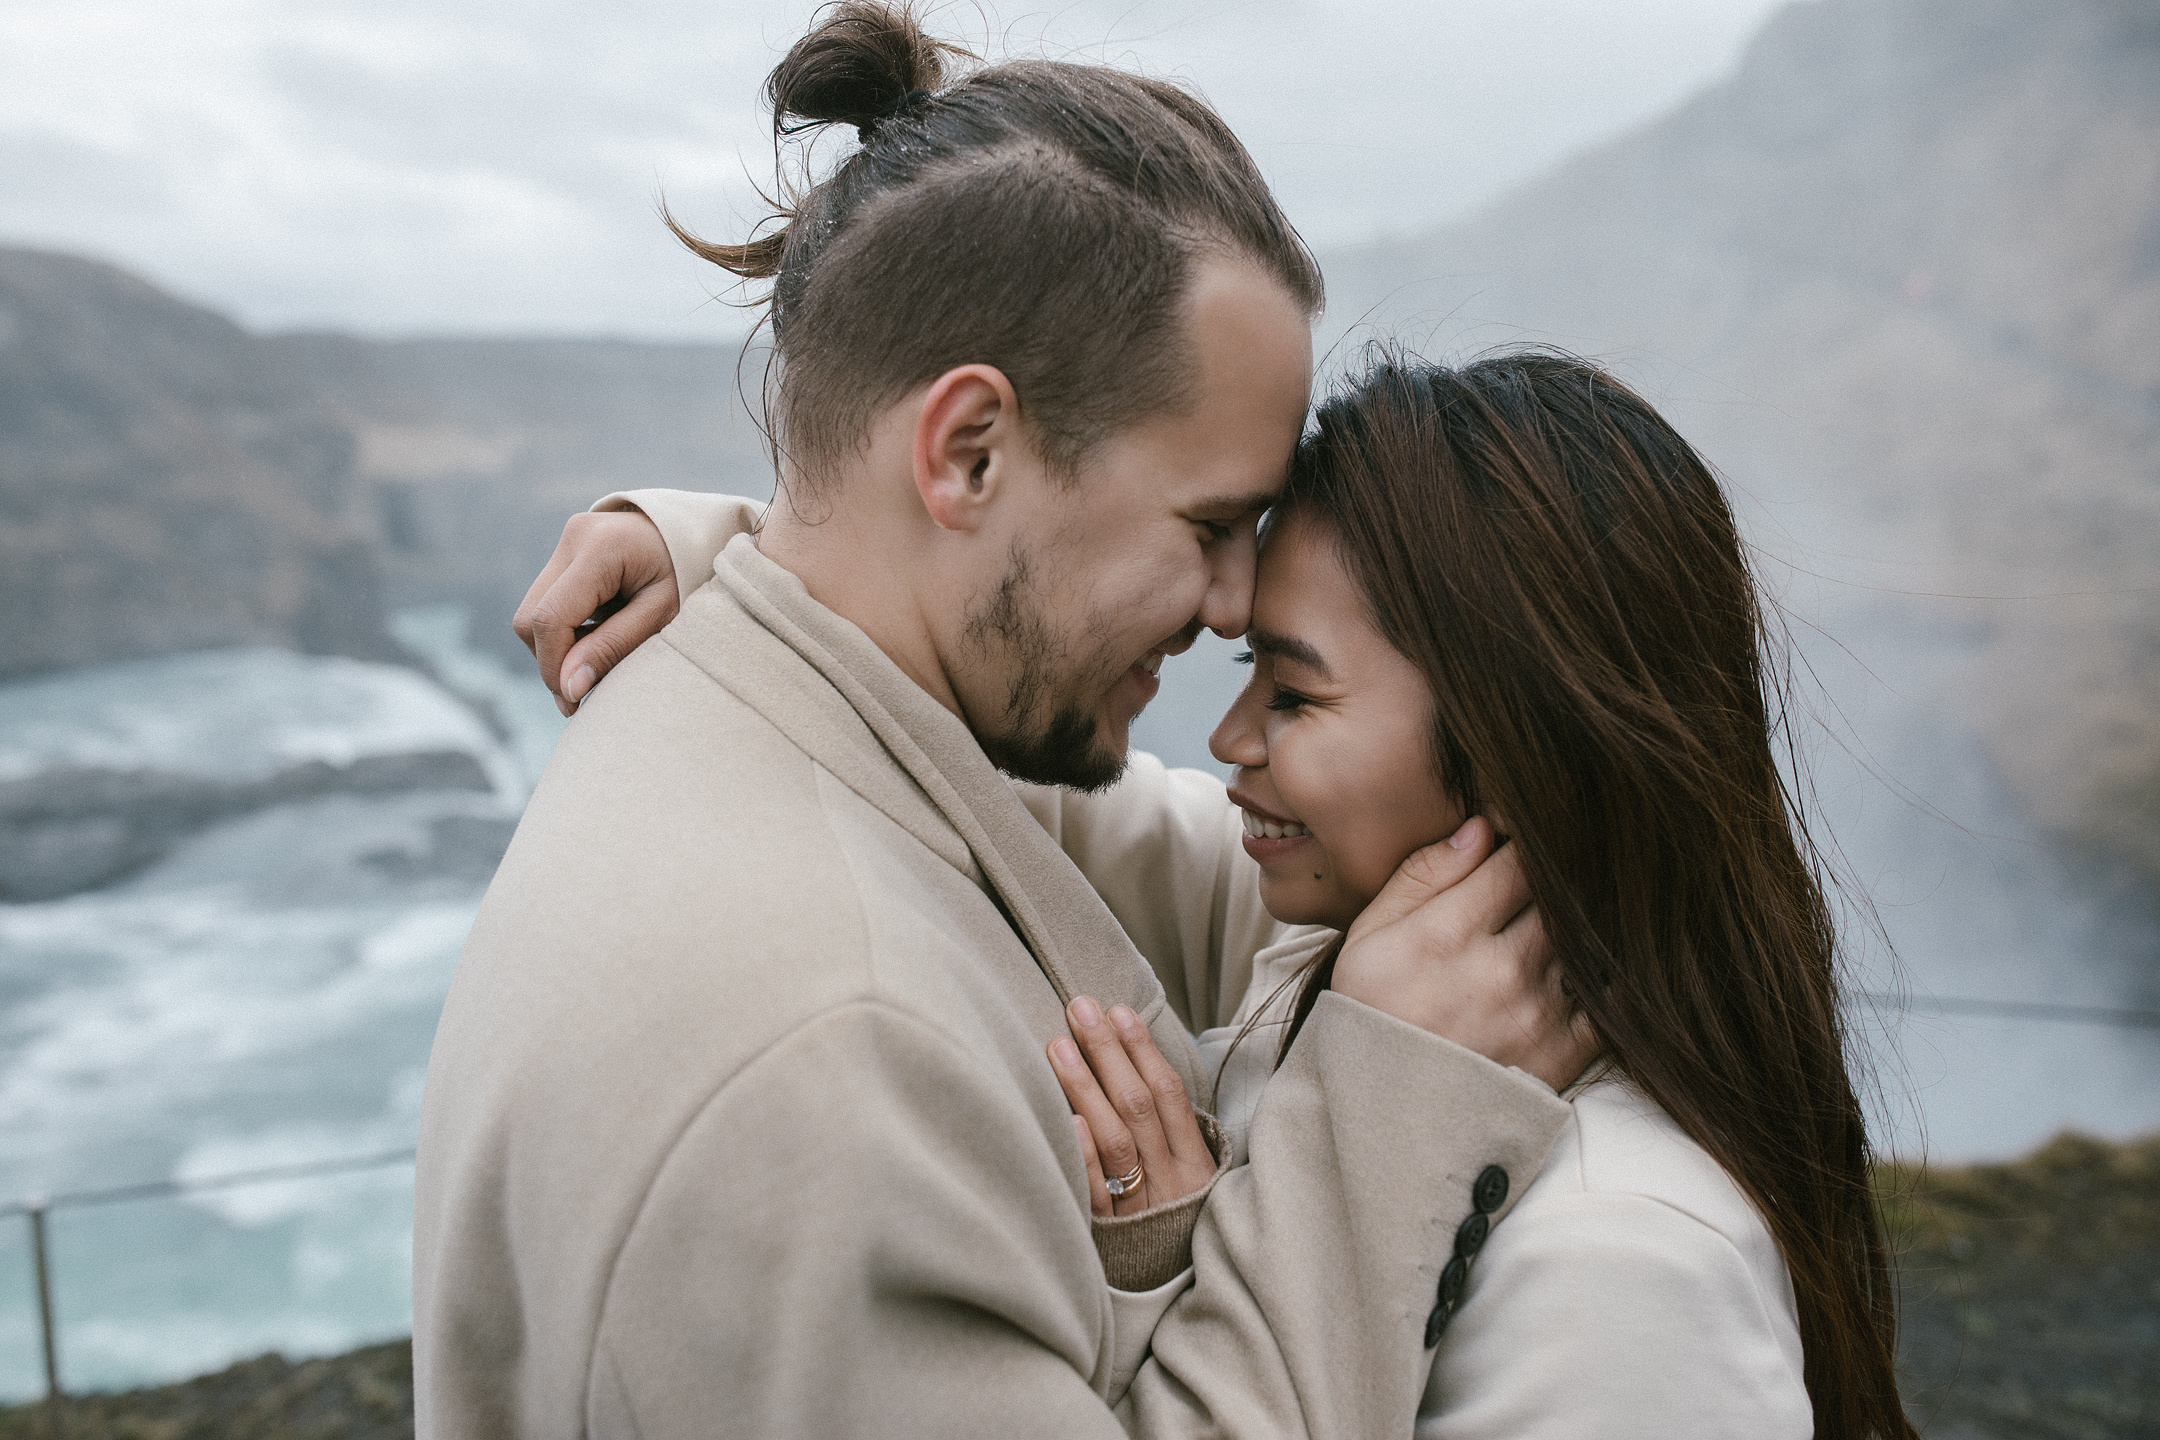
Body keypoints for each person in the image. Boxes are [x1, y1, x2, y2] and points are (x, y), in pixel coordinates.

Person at [418, 6, 1591, 1438]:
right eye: (1212, 523)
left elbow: (1228, 874)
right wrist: (1388, 1132)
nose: (1235, 605)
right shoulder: (826, 1063)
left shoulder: (799, 720)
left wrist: (721, 546)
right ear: (968, 452)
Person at [541, 353, 1917, 1440]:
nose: (1227, 738)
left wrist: (1174, 1270)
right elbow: (959, 755)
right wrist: (719, 555)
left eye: (1296, 692)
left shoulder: (1624, 1263)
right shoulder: (1317, 939)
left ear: (1522, 742)